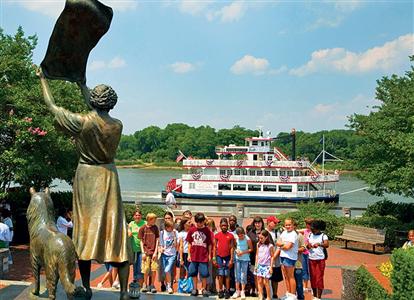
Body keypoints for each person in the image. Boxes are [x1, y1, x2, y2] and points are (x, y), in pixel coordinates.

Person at [37, 68, 131, 300]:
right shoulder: (117, 125)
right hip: (109, 176)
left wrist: (43, 81)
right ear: (111, 102)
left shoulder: (82, 123)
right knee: (116, 231)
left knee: (85, 234)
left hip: (87, 177)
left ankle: (87, 287)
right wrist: (82, 86)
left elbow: (52, 107)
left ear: (94, 101)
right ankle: (125, 291)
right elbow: (95, 110)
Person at [186, 212, 213, 297]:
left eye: (201, 222)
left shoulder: (207, 231)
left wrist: (209, 255)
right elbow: (189, 243)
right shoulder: (192, 230)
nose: (199, 224)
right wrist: (189, 255)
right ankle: (195, 288)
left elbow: (209, 244)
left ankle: (203, 288)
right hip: (194, 256)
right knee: (193, 272)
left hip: (203, 256)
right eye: (198, 222)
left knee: (204, 273)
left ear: (203, 221)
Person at [276, 218, 299, 300]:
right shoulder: (284, 232)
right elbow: (277, 242)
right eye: (286, 225)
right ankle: (288, 293)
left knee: (291, 276)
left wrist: (281, 245)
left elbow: (288, 247)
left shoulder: (293, 234)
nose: (288, 226)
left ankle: (293, 295)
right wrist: (283, 245)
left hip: (290, 257)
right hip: (283, 256)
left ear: (293, 225)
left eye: (289, 225)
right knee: (286, 276)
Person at [307, 220, 329, 300]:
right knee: (312, 277)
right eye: (311, 228)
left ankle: (319, 297)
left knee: (319, 277)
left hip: (320, 259)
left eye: (313, 228)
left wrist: (319, 244)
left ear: (318, 229)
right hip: (311, 258)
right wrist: (308, 246)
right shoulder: (310, 235)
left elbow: (327, 244)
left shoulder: (323, 235)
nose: (311, 230)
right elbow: (307, 244)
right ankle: (315, 296)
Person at [138, 213, 159, 293]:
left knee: (153, 269)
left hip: (153, 252)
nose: (155, 221)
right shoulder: (142, 228)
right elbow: (140, 241)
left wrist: (156, 252)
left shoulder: (155, 228)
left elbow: (157, 240)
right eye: (154, 220)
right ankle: (145, 284)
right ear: (149, 219)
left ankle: (152, 285)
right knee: (145, 269)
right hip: (146, 252)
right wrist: (143, 252)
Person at [214, 218, 235, 299]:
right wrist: (214, 258)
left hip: (227, 257)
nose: (224, 227)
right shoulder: (217, 235)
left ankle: (227, 290)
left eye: (225, 225)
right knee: (220, 274)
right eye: (222, 225)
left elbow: (232, 248)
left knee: (227, 275)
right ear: (220, 226)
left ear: (227, 226)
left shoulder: (230, 235)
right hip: (219, 257)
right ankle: (220, 290)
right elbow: (214, 248)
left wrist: (231, 259)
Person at [232, 227, 253, 299]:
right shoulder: (236, 238)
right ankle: (237, 290)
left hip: (245, 259)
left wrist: (243, 252)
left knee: (243, 275)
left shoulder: (247, 239)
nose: (240, 237)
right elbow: (234, 246)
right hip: (237, 259)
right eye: (239, 235)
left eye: (242, 235)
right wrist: (236, 251)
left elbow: (251, 249)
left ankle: (242, 291)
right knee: (237, 275)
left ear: (244, 234)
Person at [266, 216, 283, 299]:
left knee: (275, 278)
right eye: (274, 222)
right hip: (265, 259)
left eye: (277, 223)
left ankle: (275, 294)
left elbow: (279, 246)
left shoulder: (277, 233)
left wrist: (274, 256)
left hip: (276, 259)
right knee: (265, 277)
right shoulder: (264, 232)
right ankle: (266, 293)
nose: (276, 224)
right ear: (269, 222)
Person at [159, 220, 179, 294]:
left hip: (172, 254)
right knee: (165, 271)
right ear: (166, 227)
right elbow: (161, 243)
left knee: (167, 270)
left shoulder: (175, 232)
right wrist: (161, 248)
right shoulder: (162, 233)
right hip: (164, 254)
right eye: (170, 227)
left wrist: (174, 236)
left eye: (172, 227)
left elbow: (176, 244)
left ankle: (169, 286)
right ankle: (168, 285)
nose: (171, 228)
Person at [254, 230, 274, 300]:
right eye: (259, 238)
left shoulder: (270, 246)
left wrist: (271, 267)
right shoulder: (258, 244)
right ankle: (260, 295)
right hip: (259, 265)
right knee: (259, 281)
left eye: (262, 238)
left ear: (266, 237)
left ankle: (268, 297)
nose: (260, 239)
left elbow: (272, 256)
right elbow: (257, 255)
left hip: (267, 266)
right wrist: (256, 265)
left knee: (266, 282)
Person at [247, 216, 265, 297]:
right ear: (254, 224)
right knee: (256, 277)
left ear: (262, 223)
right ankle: (259, 292)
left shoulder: (265, 232)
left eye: (259, 222)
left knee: (264, 277)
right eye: (256, 223)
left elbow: (271, 244)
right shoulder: (250, 233)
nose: (257, 224)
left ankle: (264, 292)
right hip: (253, 258)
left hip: (264, 259)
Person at [128, 209, 146, 288]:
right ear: (133, 216)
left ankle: (142, 285)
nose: (137, 217)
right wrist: (129, 232)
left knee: (141, 268)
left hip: (142, 249)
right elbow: (128, 232)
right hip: (133, 249)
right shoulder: (131, 224)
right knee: (135, 267)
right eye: (136, 215)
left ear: (141, 216)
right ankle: (136, 284)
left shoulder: (144, 223)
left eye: (139, 215)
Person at [298, 218, 313, 292]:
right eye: (306, 224)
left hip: (311, 254)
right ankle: (305, 286)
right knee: (304, 270)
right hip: (304, 253)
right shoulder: (305, 231)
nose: (307, 225)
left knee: (311, 270)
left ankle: (313, 287)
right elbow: (297, 230)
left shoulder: (314, 232)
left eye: (309, 224)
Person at [294, 224, 306, 300]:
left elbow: (303, 248)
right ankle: (291, 295)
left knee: (298, 282)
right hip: (287, 263)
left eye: (291, 225)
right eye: (287, 225)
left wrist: (294, 250)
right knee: (289, 281)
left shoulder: (299, 236)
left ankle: (301, 296)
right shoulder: (285, 235)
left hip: (298, 263)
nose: (289, 227)